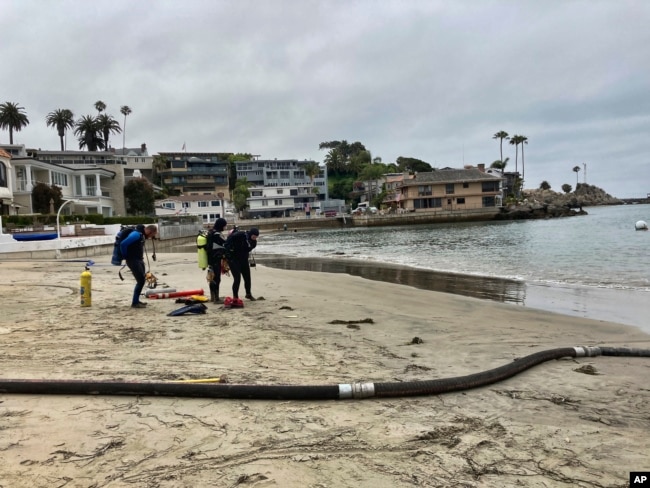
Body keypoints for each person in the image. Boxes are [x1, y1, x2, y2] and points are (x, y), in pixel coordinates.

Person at [120, 224, 158, 308]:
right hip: (133, 260)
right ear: (148, 231)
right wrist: (125, 256)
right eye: (152, 235)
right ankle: (135, 302)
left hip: (138, 259)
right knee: (140, 280)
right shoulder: (136, 234)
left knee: (142, 279)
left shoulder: (141, 235)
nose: (151, 237)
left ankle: (136, 301)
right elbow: (123, 244)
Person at [224, 227, 259, 300]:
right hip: (233, 259)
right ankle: (235, 296)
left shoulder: (254, 242)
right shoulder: (240, 235)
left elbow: (248, 249)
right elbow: (228, 241)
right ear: (250, 234)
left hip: (244, 260)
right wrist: (228, 255)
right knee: (237, 279)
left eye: (256, 237)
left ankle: (248, 294)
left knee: (247, 278)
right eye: (253, 236)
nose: (254, 238)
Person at [206, 217, 228, 303]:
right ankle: (216, 298)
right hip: (215, 259)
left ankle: (213, 297)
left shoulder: (211, 232)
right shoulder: (217, 234)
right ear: (221, 225)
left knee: (212, 277)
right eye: (224, 226)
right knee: (217, 278)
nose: (225, 227)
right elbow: (225, 242)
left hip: (210, 258)